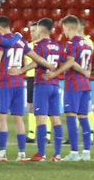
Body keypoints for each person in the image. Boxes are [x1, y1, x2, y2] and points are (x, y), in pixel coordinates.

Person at [0, 15, 33, 161]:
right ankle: (22, 153)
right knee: (18, 119)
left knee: (1, 118)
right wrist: (22, 70)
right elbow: (36, 59)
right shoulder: (21, 41)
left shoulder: (1, 42)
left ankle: (2, 153)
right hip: (19, 83)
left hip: (5, 82)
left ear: (0, 28)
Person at [53, 15, 94, 161]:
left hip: (74, 84)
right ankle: (87, 152)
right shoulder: (87, 43)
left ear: (68, 28)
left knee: (71, 117)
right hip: (85, 85)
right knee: (84, 118)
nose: (63, 31)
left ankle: (74, 152)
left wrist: (57, 72)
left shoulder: (72, 42)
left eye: (64, 28)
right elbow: (87, 64)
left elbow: (71, 62)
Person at [27, 19, 68, 162]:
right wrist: (57, 73)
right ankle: (57, 155)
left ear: (41, 30)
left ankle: (41, 154)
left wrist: (21, 70)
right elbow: (66, 61)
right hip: (55, 85)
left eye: (36, 29)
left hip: (42, 84)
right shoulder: (57, 46)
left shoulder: (38, 45)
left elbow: (35, 62)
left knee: (41, 119)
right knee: (56, 119)